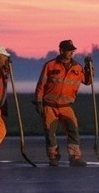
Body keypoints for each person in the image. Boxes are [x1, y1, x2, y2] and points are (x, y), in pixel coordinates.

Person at [33, 39, 93, 167]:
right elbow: (41, 85)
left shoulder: (77, 68)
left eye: (72, 50)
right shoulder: (50, 65)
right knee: (50, 133)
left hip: (66, 106)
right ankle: (53, 157)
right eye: (68, 50)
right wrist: (38, 102)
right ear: (61, 50)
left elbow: (88, 81)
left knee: (73, 130)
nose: (71, 52)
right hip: (50, 105)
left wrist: (90, 68)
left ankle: (75, 157)